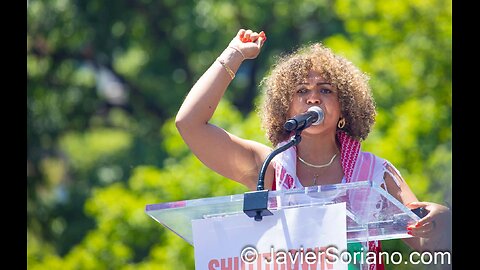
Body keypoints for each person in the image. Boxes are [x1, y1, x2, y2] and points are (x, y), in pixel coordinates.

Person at [175, 29, 451, 269]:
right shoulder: (269, 166)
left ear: (345, 108)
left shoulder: (376, 174)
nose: (313, 97)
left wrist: (442, 224)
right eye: (301, 91)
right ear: (286, 107)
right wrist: (234, 53)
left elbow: (431, 249)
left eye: (326, 90)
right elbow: (190, 124)